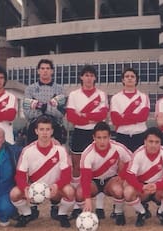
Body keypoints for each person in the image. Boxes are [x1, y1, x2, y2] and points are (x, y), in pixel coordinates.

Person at [9, 116, 75, 228]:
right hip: (34, 189)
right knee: (14, 194)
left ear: (52, 131)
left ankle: (62, 215)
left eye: (47, 129)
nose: (45, 133)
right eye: (42, 129)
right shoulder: (28, 151)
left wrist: (57, 185)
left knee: (70, 191)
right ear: (36, 131)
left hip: (54, 188)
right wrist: (25, 187)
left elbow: (67, 175)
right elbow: (20, 175)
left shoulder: (60, 150)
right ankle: (27, 214)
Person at [66, 65, 108, 219]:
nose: (89, 78)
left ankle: (100, 206)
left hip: (97, 132)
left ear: (95, 78)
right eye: (86, 75)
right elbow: (71, 116)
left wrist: (83, 114)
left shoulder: (101, 94)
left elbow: (103, 114)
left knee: (99, 166)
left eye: (91, 75)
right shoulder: (74, 94)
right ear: (81, 77)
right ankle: (78, 205)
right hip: (79, 133)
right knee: (77, 167)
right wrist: (89, 116)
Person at [75, 122, 132, 225]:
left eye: (105, 137)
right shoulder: (87, 153)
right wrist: (87, 199)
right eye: (99, 137)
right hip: (93, 181)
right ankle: (87, 215)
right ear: (94, 138)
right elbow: (85, 178)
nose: (102, 141)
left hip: (110, 180)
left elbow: (130, 161)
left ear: (110, 137)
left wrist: (123, 175)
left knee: (118, 190)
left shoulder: (118, 148)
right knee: (79, 193)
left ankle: (118, 213)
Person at [124, 127, 163, 227]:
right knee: (127, 192)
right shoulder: (138, 154)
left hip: (158, 187)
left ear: (161, 142)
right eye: (150, 141)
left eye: (157, 142)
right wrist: (142, 187)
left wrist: (157, 186)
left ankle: (161, 212)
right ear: (145, 141)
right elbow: (130, 176)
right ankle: (142, 212)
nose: (153, 145)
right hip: (143, 189)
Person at [23, 59, 66, 144]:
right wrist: (45, 111)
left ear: (52, 71)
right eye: (42, 68)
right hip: (34, 128)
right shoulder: (30, 89)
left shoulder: (60, 89)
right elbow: (27, 113)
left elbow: (61, 112)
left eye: (47, 68)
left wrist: (44, 107)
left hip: (55, 127)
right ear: (38, 71)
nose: (45, 71)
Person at [110, 68, 150, 152]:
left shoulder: (143, 97)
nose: (129, 78)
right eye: (127, 76)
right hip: (122, 135)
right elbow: (115, 120)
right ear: (123, 80)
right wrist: (135, 118)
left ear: (136, 80)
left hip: (140, 135)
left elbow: (143, 117)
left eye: (132, 76)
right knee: (123, 163)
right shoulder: (116, 98)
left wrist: (124, 116)